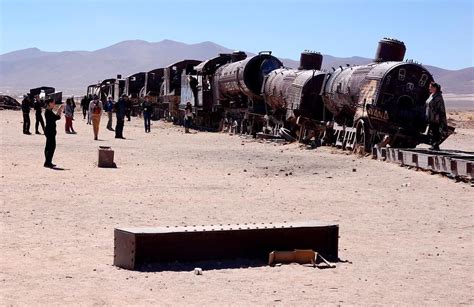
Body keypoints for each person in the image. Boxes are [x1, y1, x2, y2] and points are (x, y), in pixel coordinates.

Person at [425, 81, 447, 151]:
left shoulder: (438, 97)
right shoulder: (431, 95)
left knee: (436, 131)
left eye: (430, 87)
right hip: (430, 116)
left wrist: (437, 117)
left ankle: (436, 145)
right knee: (432, 130)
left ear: (435, 88)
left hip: (436, 117)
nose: (429, 88)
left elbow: (440, 108)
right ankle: (433, 144)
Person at [44, 98, 64, 168]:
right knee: (51, 147)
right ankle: (47, 162)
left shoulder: (49, 111)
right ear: (50, 103)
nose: (54, 104)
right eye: (53, 103)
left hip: (50, 130)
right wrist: (59, 110)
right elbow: (56, 117)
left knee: (49, 146)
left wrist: (59, 110)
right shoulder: (48, 111)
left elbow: (56, 117)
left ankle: (48, 162)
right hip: (50, 131)